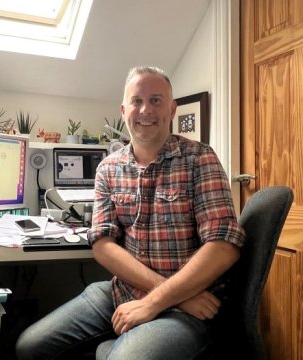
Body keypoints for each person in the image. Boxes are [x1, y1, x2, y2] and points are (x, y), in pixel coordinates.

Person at [15, 66, 246, 360]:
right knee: (30, 347)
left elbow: (223, 247)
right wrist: (166, 295)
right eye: (137, 101)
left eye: (156, 100)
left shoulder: (200, 158)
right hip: (126, 294)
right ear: (124, 110)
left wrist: (157, 303)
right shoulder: (108, 169)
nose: (145, 110)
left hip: (195, 306)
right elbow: (102, 245)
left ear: (172, 109)